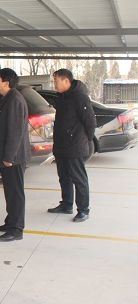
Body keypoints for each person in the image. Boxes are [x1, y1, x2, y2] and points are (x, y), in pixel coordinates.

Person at [48, 69, 96, 222]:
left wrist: (86, 140)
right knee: (64, 177)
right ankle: (66, 204)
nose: (55, 84)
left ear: (66, 81)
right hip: (61, 145)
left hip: (75, 145)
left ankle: (83, 210)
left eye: (56, 81)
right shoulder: (62, 97)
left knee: (79, 179)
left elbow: (90, 121)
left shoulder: (79, 97)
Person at [0, 68, 31, 242]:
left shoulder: (14, 100)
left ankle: (16, 229)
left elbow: (15, 131)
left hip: (14, 158)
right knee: (10, 191)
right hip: (10, 157)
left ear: (6, 83)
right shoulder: (7, 98)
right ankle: (11, 222)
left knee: (15, 193)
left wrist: (9, 157)